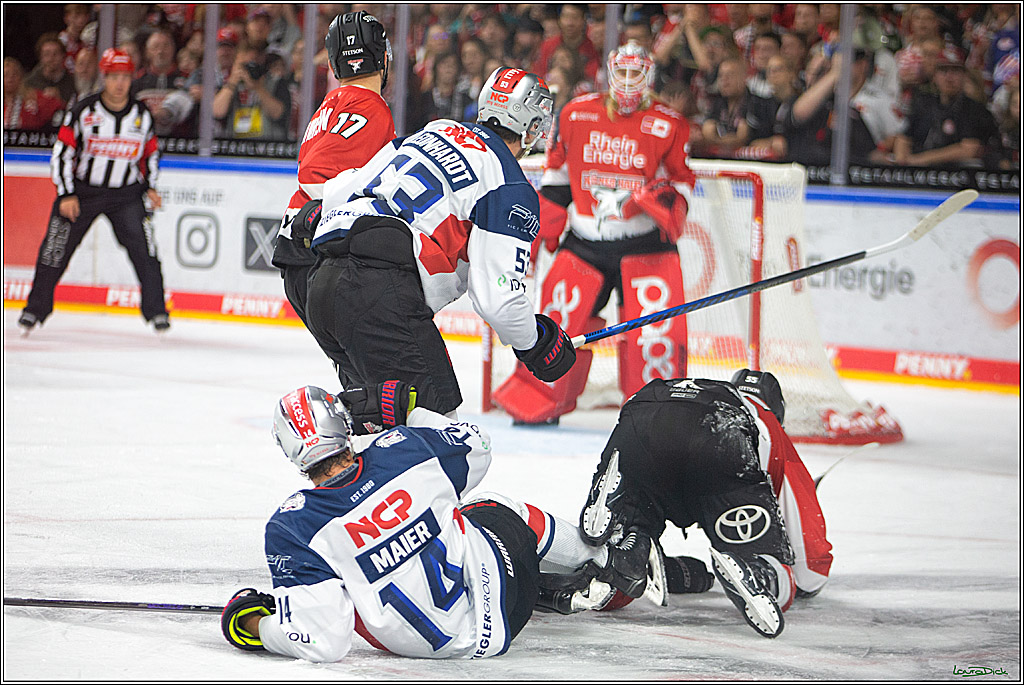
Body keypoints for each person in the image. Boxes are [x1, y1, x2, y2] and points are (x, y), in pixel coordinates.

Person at [220, 383, 646, 660]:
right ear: (341, 422)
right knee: (490, 507)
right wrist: (413, 414)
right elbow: (479, 447)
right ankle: (605, 557)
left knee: (359, 585)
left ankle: (553, 589)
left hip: (437, 651)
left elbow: (323, 639)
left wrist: (254, 624)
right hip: (505, 598)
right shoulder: (403, 449)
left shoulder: (292, 527)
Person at [305, 66, 572, 415]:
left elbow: (337, 192)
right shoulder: (508, 183)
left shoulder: (434, 131)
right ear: (533, 125)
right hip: (381, 296)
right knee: (448, 445)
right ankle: (320, 430)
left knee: (385, 424)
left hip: (321, 286)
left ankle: (342, 431)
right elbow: (500, 302)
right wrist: (536, 344)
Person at [493, 42, 694, 426]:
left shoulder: (669, 123)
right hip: (585, 241)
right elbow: (557, 181)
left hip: (646, 246)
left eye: (637, 74)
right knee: (558, 321)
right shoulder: (576, 113)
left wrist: (657, 200)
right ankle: (538, 398)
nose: (628, 82)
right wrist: (535, 233)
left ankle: (655, 415)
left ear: (650, 78)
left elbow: (681, 183)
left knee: (654, 338)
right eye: (623, 72)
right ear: (608, 72)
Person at [578, 371, 834, 638]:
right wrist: (807, 577)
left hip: (642, 412)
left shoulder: (706, 388)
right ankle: (757, 570)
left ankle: (628, 552)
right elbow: (806, 540)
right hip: (719, 430)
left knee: (620, 555)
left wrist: (676, 573)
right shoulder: (763, 419)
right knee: (780, 585)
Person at [18, 49, 169, 334]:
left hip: (126, 195)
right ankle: (34, 310)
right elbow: (62, 153)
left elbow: (150, 154)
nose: (120, 83)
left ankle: (157, 312)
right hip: (82, 193)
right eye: (114, 77)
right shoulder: (83, 110)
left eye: (125, 77)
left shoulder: (141, 114)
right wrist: (65, 194)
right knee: (54, 251)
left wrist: (151, 187)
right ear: (105, 77)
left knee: (146, 252)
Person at [272, 11, 396, 343]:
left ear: (333, 64)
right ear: (383, 58)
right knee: (376, 374)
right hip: (318, 255)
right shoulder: (372, 107)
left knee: (361, 370)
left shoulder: (331, 103)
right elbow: (313, 176)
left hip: (299, 253)